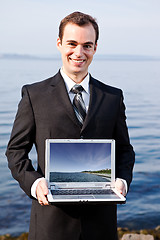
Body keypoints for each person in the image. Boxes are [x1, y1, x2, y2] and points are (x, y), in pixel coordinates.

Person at [6, 11, 135, 240]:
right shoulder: (34, 95)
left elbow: (125, 150)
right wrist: (35, 183)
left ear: (95, 48)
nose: (79, 52)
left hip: (100, 224)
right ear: (59, 44)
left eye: (87, 45)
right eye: (72, 43)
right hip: (51, 223)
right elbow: (15, 151)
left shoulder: (113, 97)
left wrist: (122, 180)